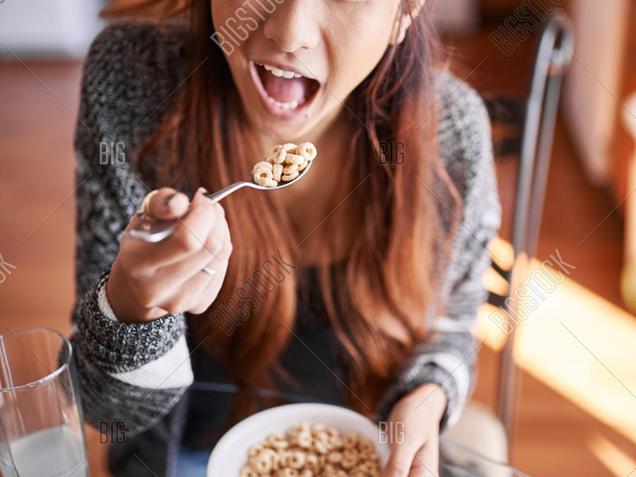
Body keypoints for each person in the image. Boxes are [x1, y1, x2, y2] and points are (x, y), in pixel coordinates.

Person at [70, 0, 501, 475]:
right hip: (184, 455)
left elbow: (452, 328)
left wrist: (426, 395)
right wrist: (132, 310)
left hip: (355, 452)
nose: (289, 33)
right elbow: (106, 414)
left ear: (405, 11)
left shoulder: (449, 129)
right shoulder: (135, 81)